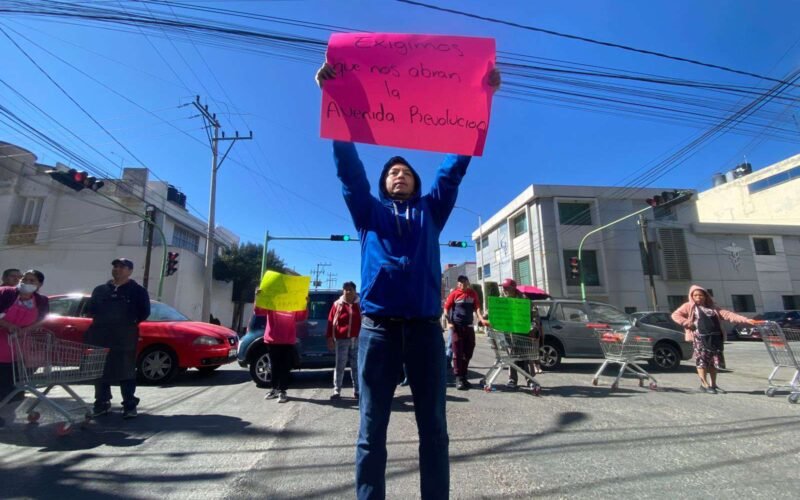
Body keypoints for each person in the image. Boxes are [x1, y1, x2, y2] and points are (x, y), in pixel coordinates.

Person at [318, 60, 500, 500]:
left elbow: (454, 167)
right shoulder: (368, 214)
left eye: (405, 171)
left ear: (416, 183)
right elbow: (349, 170)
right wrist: (333, 99)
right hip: (377, 333)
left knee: (434, 430)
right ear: (383, 184)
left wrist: (484, 99)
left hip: (422, 333)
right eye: (391, 172)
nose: (398, 173)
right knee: (370, 431)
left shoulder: (430, 213)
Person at [85, 258, 150, 419]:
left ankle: (129, 405)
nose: (118, 269)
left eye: (122, 267)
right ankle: (101, 403)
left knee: (125, 370)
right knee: (100, 370)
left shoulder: (137, 291)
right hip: (101, 335)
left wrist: (129, 322)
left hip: (124, 336)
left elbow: (144, 311)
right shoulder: (100, 290)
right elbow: (90, 309)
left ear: (130, 271)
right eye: (115, 266)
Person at [671, 285, 755, 394]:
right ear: (691, 297)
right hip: (700, 338)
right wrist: (687, 323)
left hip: (715, 338)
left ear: (705, 296)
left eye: (700, 295)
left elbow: (728, 315)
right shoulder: (688, 306)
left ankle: (713, 385)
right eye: (695, 295)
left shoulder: (713, 308)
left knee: (713, 362)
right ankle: (704, 384)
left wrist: (746, 320)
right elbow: (675, 315)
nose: (698, 297)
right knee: (702, 361)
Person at [0, 270, 49, 419]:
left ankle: (9, 413)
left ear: (39, 284)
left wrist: (25, 330)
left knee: (17, 382)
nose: (26, 283)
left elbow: (43, 319)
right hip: (2, 341)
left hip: (21, 346)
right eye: (25, 279)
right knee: (3, 379)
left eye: (32, 281)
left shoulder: (41, 300)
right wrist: (8, 325)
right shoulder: (6, 293)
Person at [443, 275, 485, 390]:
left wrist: (481, 318)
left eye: (465, 282)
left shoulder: (473, 293)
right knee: (457, 352)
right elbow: (446, 308)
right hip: (456, 326)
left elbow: (477, 307)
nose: (463, 285)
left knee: (469, 350)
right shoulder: (454, 294)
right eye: (461, 283)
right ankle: (458, 378)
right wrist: (449, 322)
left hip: (469, 326)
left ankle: (464, 376)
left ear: (468, 282)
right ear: (458, 284)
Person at [263, 302, 308, 404]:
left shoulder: (292, 301)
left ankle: (283, 391)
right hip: (272, 339)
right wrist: (258, 298)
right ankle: (274, 389)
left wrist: (304, 304)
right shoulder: (272, 301)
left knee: (285, 367)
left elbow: (301, 317)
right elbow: (258, 311)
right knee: (274, 366)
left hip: (287, 340)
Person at [326, 281, 361, 400]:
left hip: (357, 340)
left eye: (350, 289)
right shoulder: (337, 304)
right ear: (343, 291)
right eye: (345, 289)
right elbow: (330, 322)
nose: (348, 291)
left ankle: (357, 390)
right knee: (340, 366)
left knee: (356, 366)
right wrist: (330, 338)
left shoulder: (360, 304)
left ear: (355, 291)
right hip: (341, 340)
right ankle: (337, 391)